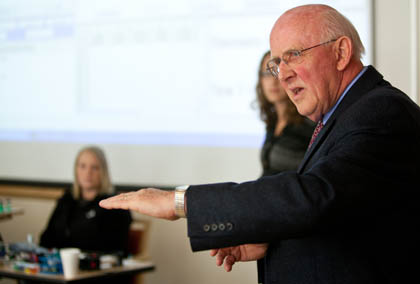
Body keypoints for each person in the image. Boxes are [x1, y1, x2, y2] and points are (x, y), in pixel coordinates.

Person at [99, 4, 420, 284]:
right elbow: (344, 216)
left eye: (294, 55)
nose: (282, 75)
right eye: (276, 64)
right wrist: (277, 242)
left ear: (341, 52)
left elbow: (314, 197)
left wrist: (180, 202)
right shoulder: (346, 113)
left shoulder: (381, 111)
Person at [40, 146, 132, 256]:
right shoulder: (66, 200)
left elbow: (112, 249)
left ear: (103, 172)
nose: (88, 172)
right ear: (76, 169)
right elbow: (46, 239)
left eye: (94, 168)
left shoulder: (115, 205)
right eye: (82, 166)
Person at [255, 50, 314, 177]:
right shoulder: (273, 122)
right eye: (266, 73)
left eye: (277, 72)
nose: (272, 81)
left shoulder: (308, 123)